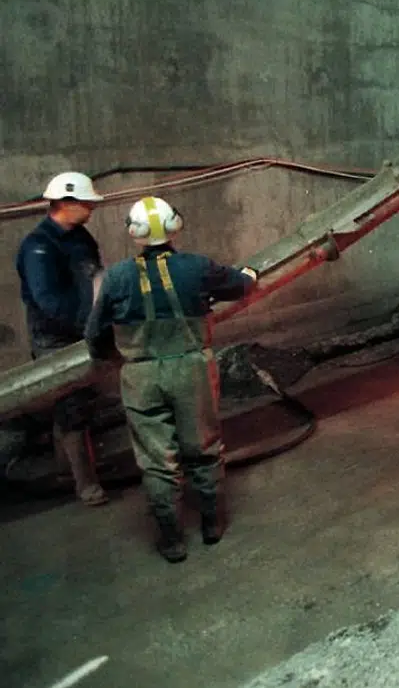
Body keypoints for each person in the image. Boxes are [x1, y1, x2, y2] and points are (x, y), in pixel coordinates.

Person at [86, 196, 257, 562]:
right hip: (192, 370)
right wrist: (251, 275)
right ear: (175, 226)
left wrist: (119, 359)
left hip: (140, 374)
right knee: (204, 447)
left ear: (134, 232)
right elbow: (241, 286)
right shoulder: (197, 267)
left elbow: (94, 336)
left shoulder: (116, 277)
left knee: (156, 460)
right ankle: (212, 526)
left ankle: (173, 541)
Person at [12, 171, 109, 506]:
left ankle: (65, 471)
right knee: (71, 407)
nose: (91, 207)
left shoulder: (80, 237)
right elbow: (48, 301)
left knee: (74, 403)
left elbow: (94, 277)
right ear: (66, 203)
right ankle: (87, 485)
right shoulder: (38, 247)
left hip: (83, 329)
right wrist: (86, 322)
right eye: (86, 202)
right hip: (55, 339)